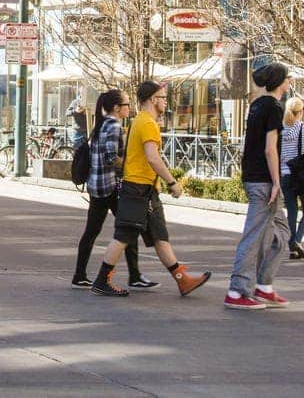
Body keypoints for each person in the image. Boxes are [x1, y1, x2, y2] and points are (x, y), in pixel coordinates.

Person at [90, 80, 212, 297]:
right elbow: (153, 158)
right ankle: (102, 279)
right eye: (163, 97)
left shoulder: (141, 120)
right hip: (138, 188)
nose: (166, 101)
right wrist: (172, 182)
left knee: (159, 236)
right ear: (152, 99)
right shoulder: (147, 123)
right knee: (123, 236)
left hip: (145, 189)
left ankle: (183, 280)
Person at [72, 89, 157, 290]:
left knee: (95, 231)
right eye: (127, 104)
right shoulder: (113, 126)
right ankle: (134, 276)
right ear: (117, 108)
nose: (130, 108)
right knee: (129, 227)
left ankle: (80, 274)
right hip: (110, 187)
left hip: (97, 185)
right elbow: (111, 158)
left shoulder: (101, 125)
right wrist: (130, 165)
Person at [225, 63, 293, 310]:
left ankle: (263, 286)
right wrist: (276, 182)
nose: (290, 82)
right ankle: (237, 290)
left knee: (281, 233)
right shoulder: (274, 107)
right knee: (254, 236)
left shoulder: (256, 105)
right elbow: (269, 148)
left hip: (254, 177)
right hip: (264, 181)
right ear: (280, 81)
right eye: (288, 78)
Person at [281, 95, 304, 260]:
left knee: (292, 211)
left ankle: (293, 248)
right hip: (303, 176)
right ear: (300, 112)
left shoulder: (280, 129)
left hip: (285, 174)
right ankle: (296, 241)